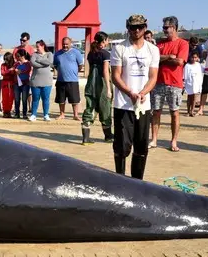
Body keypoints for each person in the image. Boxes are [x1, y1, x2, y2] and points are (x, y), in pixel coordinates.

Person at [110, 14, 160, 180]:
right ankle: (120, 180)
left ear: (145, 28)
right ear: (128, 28)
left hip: (143, 105)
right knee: (122, 147)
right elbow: (115, 76)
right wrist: (129, 92)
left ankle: (137, 182)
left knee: (141, 147)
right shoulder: (119, 48)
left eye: (140, 27)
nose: (136, 30)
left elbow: (153, 76)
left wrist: (143, 92)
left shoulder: (152, 50)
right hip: (123, 104)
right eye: (133, 27)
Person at [149, 16, 189, 152]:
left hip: (175, 83)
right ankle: (154, 139)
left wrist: (163, 59)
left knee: (174, 113)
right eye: (164, 27)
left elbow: (179, 62)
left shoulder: (183, 44)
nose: (164, 30)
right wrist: (169, 57)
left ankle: (173, 141)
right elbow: (153, 59)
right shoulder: (160, 43)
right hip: (158, 82)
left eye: (167, 27)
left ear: (175, 27)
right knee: (156, 112)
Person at [81, 31, 113, 144]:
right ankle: (108, 136)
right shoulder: (105, 54)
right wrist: (109, 89)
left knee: (90, 108)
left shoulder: (90, 53)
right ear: (103, 41)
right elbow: (105, 71)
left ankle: (85, 138)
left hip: (91, 83)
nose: (108, 42)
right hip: (102, 84)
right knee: (105, 108)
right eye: (107, 40)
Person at [53, 37, 84, 120]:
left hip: (73, 80)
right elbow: (55, 65)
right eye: (63, 44)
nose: (65, 45)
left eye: (67, 44)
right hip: (60, 80)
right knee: (61, 99)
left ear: (70, 43)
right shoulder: (57, 54)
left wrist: (73, 72)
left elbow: (80, 65)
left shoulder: (76, 52)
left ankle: (75, 115)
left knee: (74, 99)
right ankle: (62, 114)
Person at [29, 40, 53, 122]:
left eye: (38, 46)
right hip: (35, 81)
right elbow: (33, 63)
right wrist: (44, 62)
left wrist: (39, 60)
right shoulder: (34, 55)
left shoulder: (49, 54)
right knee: (35, 99)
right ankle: (33, 114)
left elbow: (49, 62)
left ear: (42, 46)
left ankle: (46, 114)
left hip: (47, 81)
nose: (37, 48)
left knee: (46, 99)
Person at [183, 51, 204, 117]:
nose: (194, 59)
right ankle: (188, 111)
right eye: (192, 57)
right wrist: (184, 83)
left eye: (195, 57)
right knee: (189, 97)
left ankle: (192, 111)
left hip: (196, 83)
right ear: (190, 57)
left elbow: (204, 71)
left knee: (194, 98)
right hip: (189, 83)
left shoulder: (198, 65)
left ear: (197, 58)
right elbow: (184, 75)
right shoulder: (187, 65)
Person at [13, 49, 32, 118]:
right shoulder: (16, 63)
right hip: (16, 84)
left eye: (18, 56)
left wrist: (18, 71)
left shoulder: (28, 63)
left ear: (22, 56)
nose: (17, 57)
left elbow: (26, 70)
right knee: (17, 99)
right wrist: (17, 71)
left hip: (25, 84)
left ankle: (24, 114)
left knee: (24, 99)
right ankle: (17, 113)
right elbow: (13, 70)